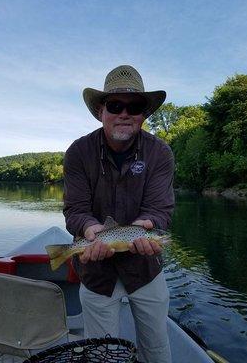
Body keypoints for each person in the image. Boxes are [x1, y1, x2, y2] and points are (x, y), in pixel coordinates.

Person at [63, 65, 174, 363]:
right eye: (115, 105)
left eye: (134, 106)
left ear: (143, 114)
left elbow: (160, 208)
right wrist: (89, 229)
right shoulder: (78, 153)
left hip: (146, 271)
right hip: (97, 273)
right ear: (101, 110)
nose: (125, 113)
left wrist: (149, 224)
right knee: (103, 355)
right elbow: (75, 210)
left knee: (158, 350)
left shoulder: (160, 153)